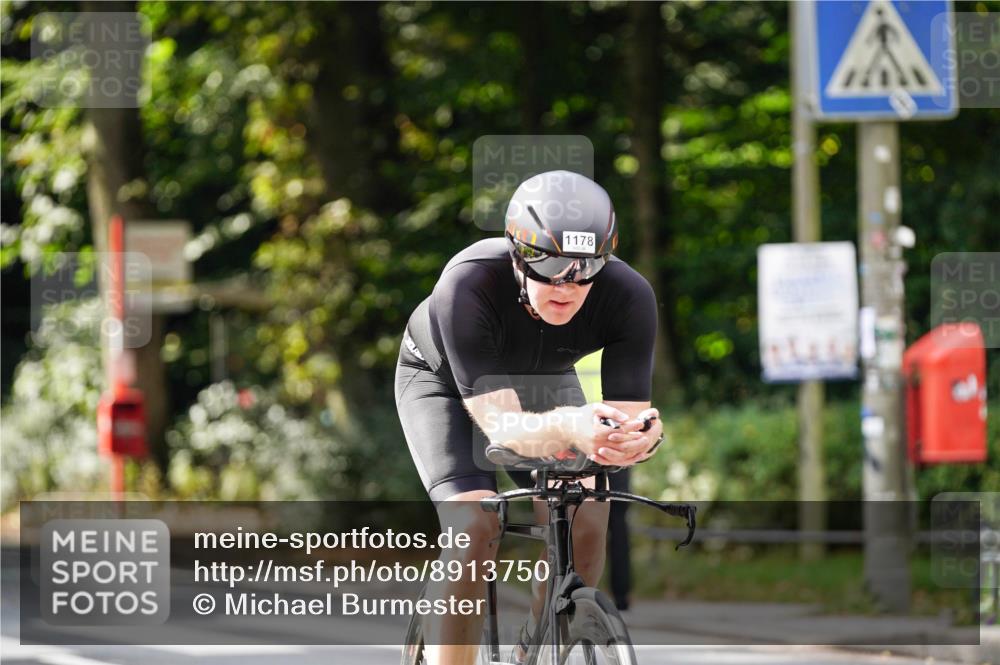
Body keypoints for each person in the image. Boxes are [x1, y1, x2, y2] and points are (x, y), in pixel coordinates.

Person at [395, 170, 664, 665]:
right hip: (444, 383)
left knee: (588, 506)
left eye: (586, 268)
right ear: (519, 254)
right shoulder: (469, 282)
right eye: (551, 266)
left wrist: (636, 437)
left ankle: (534, 648)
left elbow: (625, 422)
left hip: (544, 380)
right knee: (475, 523)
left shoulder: (629, 296)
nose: (568, 284)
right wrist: (572, 425)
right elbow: (505, 430)